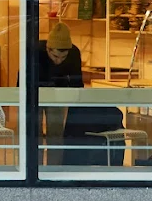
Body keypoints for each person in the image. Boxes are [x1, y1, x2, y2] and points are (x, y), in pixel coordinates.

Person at [38, 22, 119, 167]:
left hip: (58, 95)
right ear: (47, 49)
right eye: (55, 56)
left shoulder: (73, 53)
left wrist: (77, 102)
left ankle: (53, 170)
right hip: (34, 94)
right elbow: (23, 79)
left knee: (56, 136)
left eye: (63, 57)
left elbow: (77, 83)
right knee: (33, 135)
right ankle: (33, 168)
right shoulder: (36, 52)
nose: (59, 61)